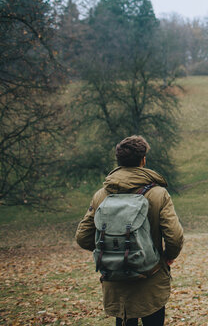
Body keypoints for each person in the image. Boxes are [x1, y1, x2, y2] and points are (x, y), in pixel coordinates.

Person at [76, 135, 184, 326]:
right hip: (151, 278)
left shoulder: (101, 196)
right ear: (143, 160)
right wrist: (167, 256)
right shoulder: (158, 194)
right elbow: (174, 237)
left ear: (119, 161)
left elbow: (83, 237)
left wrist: (112, 249)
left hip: (115, 280)